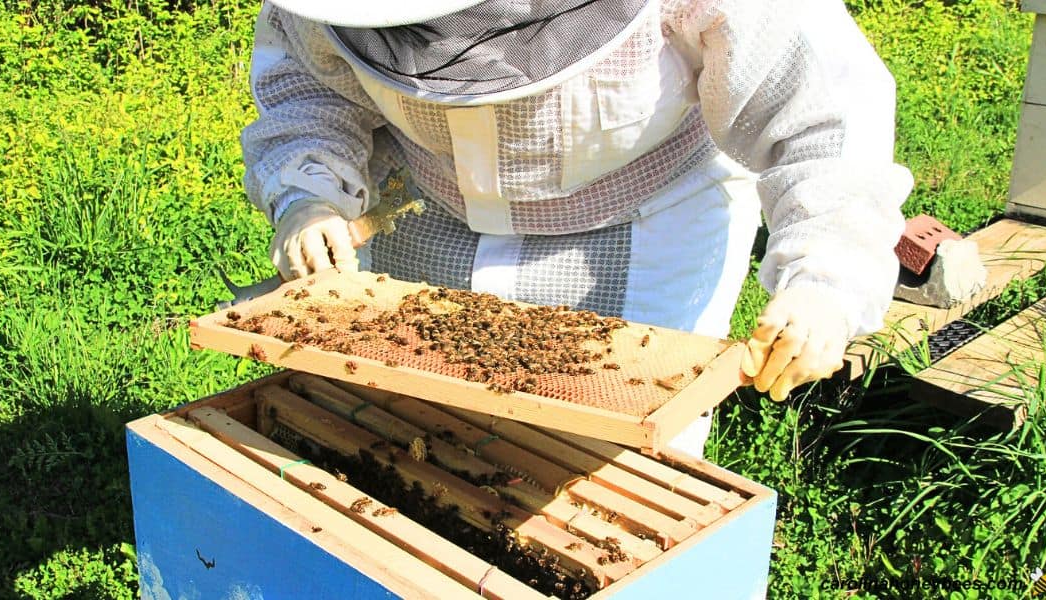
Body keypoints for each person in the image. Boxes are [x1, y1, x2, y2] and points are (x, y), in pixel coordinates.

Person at [239, 0, 913, 457]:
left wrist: (826, 277)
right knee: (412, 430)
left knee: (620, 451)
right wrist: (309, 193)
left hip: (643, 219)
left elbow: (824, 119)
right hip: (432, 211)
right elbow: (311, 86)